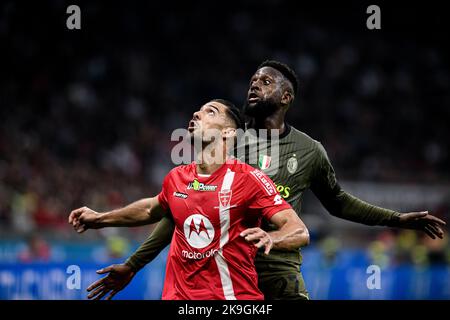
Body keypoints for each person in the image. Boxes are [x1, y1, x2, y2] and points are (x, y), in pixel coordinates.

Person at [70, 61, 446, 300]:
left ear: (286, 96)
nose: (254, 85)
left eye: (264, 81)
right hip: (224, 276)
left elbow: (339, 203)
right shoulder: (223, 147)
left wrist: (395, 220)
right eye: (252, 79)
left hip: (278, 274)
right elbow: (175, 212)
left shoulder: (309, 150)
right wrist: (134, 264)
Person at [69, 99, 309, 300]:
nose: (196, 113)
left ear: (228, 132)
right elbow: (151, 209)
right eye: (198, 110)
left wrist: (271, 237)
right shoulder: (176, 178)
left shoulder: (249, 179)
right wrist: (99, 219)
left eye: (210, 111)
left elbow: (298, 230)